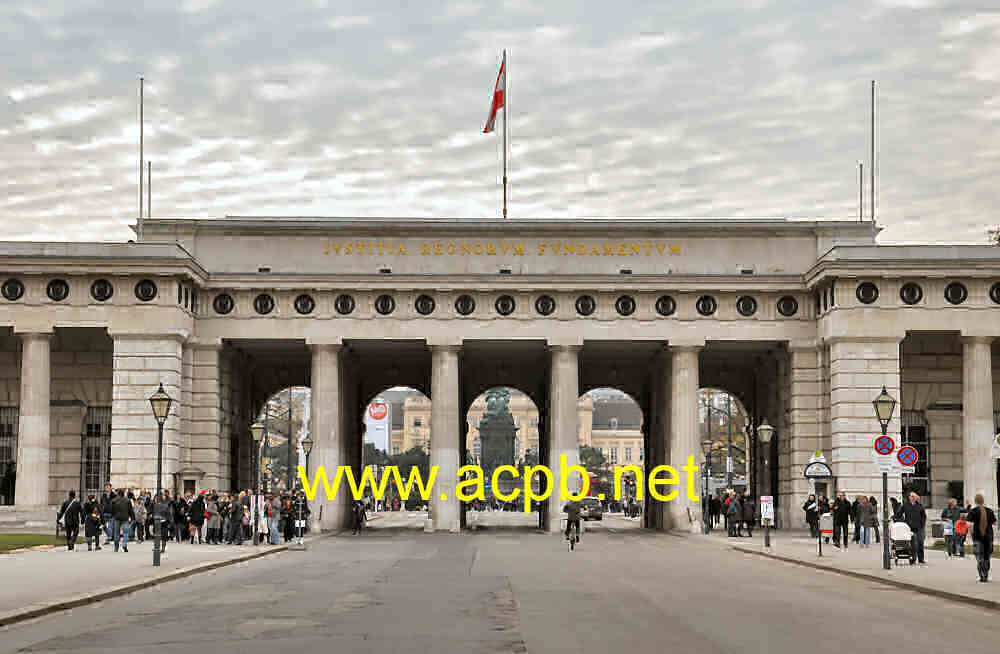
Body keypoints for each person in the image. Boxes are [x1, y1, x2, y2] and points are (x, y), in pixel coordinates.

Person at [965, 493, 996, 582]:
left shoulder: (973, 511)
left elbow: (969, 525)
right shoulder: (989, 511)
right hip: (988, 537)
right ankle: (986, 575)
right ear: (983, 500)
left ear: (975, 501)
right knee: (987, 557)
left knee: (979, 557)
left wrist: (970, 534)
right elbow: (994, 523)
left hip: (978, 537)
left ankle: (981, 576)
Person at [901, 491, 927, 565]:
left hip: (919, 527)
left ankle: (921, 559)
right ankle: (913, 559)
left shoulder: (920, 506)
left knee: (920, 542)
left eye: (914, 496)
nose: (913, 498)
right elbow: (899, 513)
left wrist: (922, 524)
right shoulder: (905, 505)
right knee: (913, 544)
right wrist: (902, 522)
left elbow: (923, 516)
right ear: (909, 497)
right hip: (909, 527)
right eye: (912, 496)